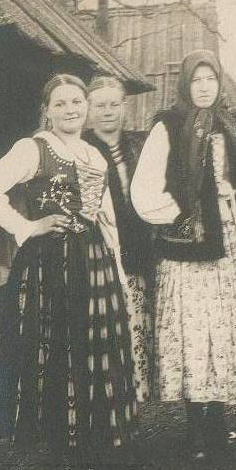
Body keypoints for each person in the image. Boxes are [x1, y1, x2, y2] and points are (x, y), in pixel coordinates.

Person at [0, 73, 138, 470]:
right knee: (59, 358)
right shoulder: (33, 149)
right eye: (60, 103)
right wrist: (26, 227)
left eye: (77, 102)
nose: (70, 110)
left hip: (93, 263)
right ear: (47, 109)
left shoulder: (93, 155)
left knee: (91, 352)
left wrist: (117, 271)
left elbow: (106, 220)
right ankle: (62, 468)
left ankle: (90, 456)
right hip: (49, 269)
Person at [131, 50, 236, 460]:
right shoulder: (168, 127)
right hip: (188, 249)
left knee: (223, 327)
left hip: (231, 243)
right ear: (185, 85)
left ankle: (219, 422)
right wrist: (184, 218)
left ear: (220, 82)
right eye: (196, 81)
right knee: (191, 329)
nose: (204, 87)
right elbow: (145, 190)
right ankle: (197, 428)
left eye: (210, 80)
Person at [84, 75, 154, 403]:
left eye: (114, 104)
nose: (107, 112)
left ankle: (130, 407)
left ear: (124, 107)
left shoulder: (139, 145)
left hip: (137, 254)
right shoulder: (81, 150)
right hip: (97, 256)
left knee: (135, 331)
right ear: (88, 109)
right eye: (100, 105)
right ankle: (104, 406)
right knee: (104, 332)